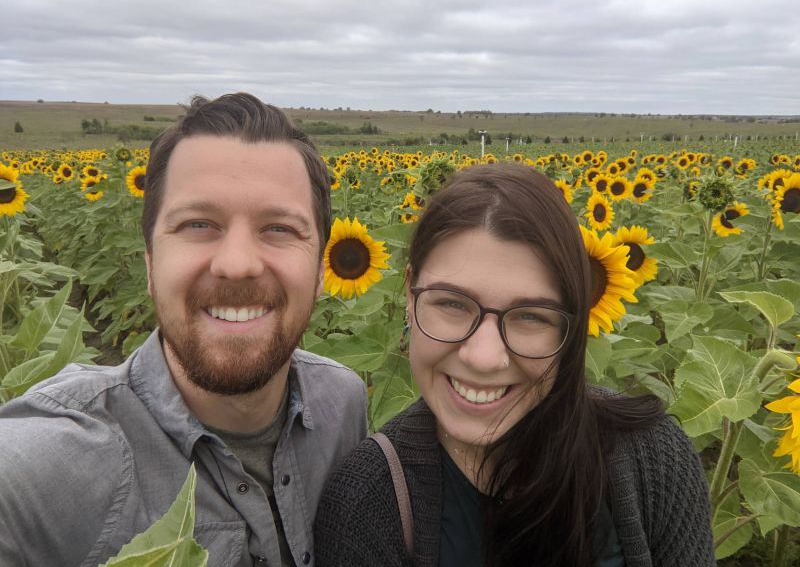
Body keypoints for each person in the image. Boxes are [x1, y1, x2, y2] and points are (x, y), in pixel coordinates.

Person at [0, 93, 367, 567]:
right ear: (150, 264)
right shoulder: (51, 465)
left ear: (320, 271)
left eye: (279, 229)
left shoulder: (344, 404)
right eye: (198, 224)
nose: (237, 264)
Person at [315, 163, 715, 567]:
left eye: (531, 316)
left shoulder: (652, 459)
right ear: (409, 294)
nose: (484, 357)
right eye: (452, 303)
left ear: (573, 326)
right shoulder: (365, 503)